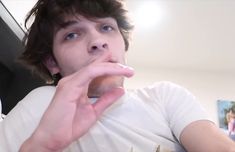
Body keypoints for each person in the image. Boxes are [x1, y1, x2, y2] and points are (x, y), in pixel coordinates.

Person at [0, 0, 235, 151]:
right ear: (52, 62)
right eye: (72, 35)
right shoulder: (40, 102)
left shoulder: (164, 97)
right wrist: (42, 146)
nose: (98, 42)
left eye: (106, 28)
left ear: (123, 45)